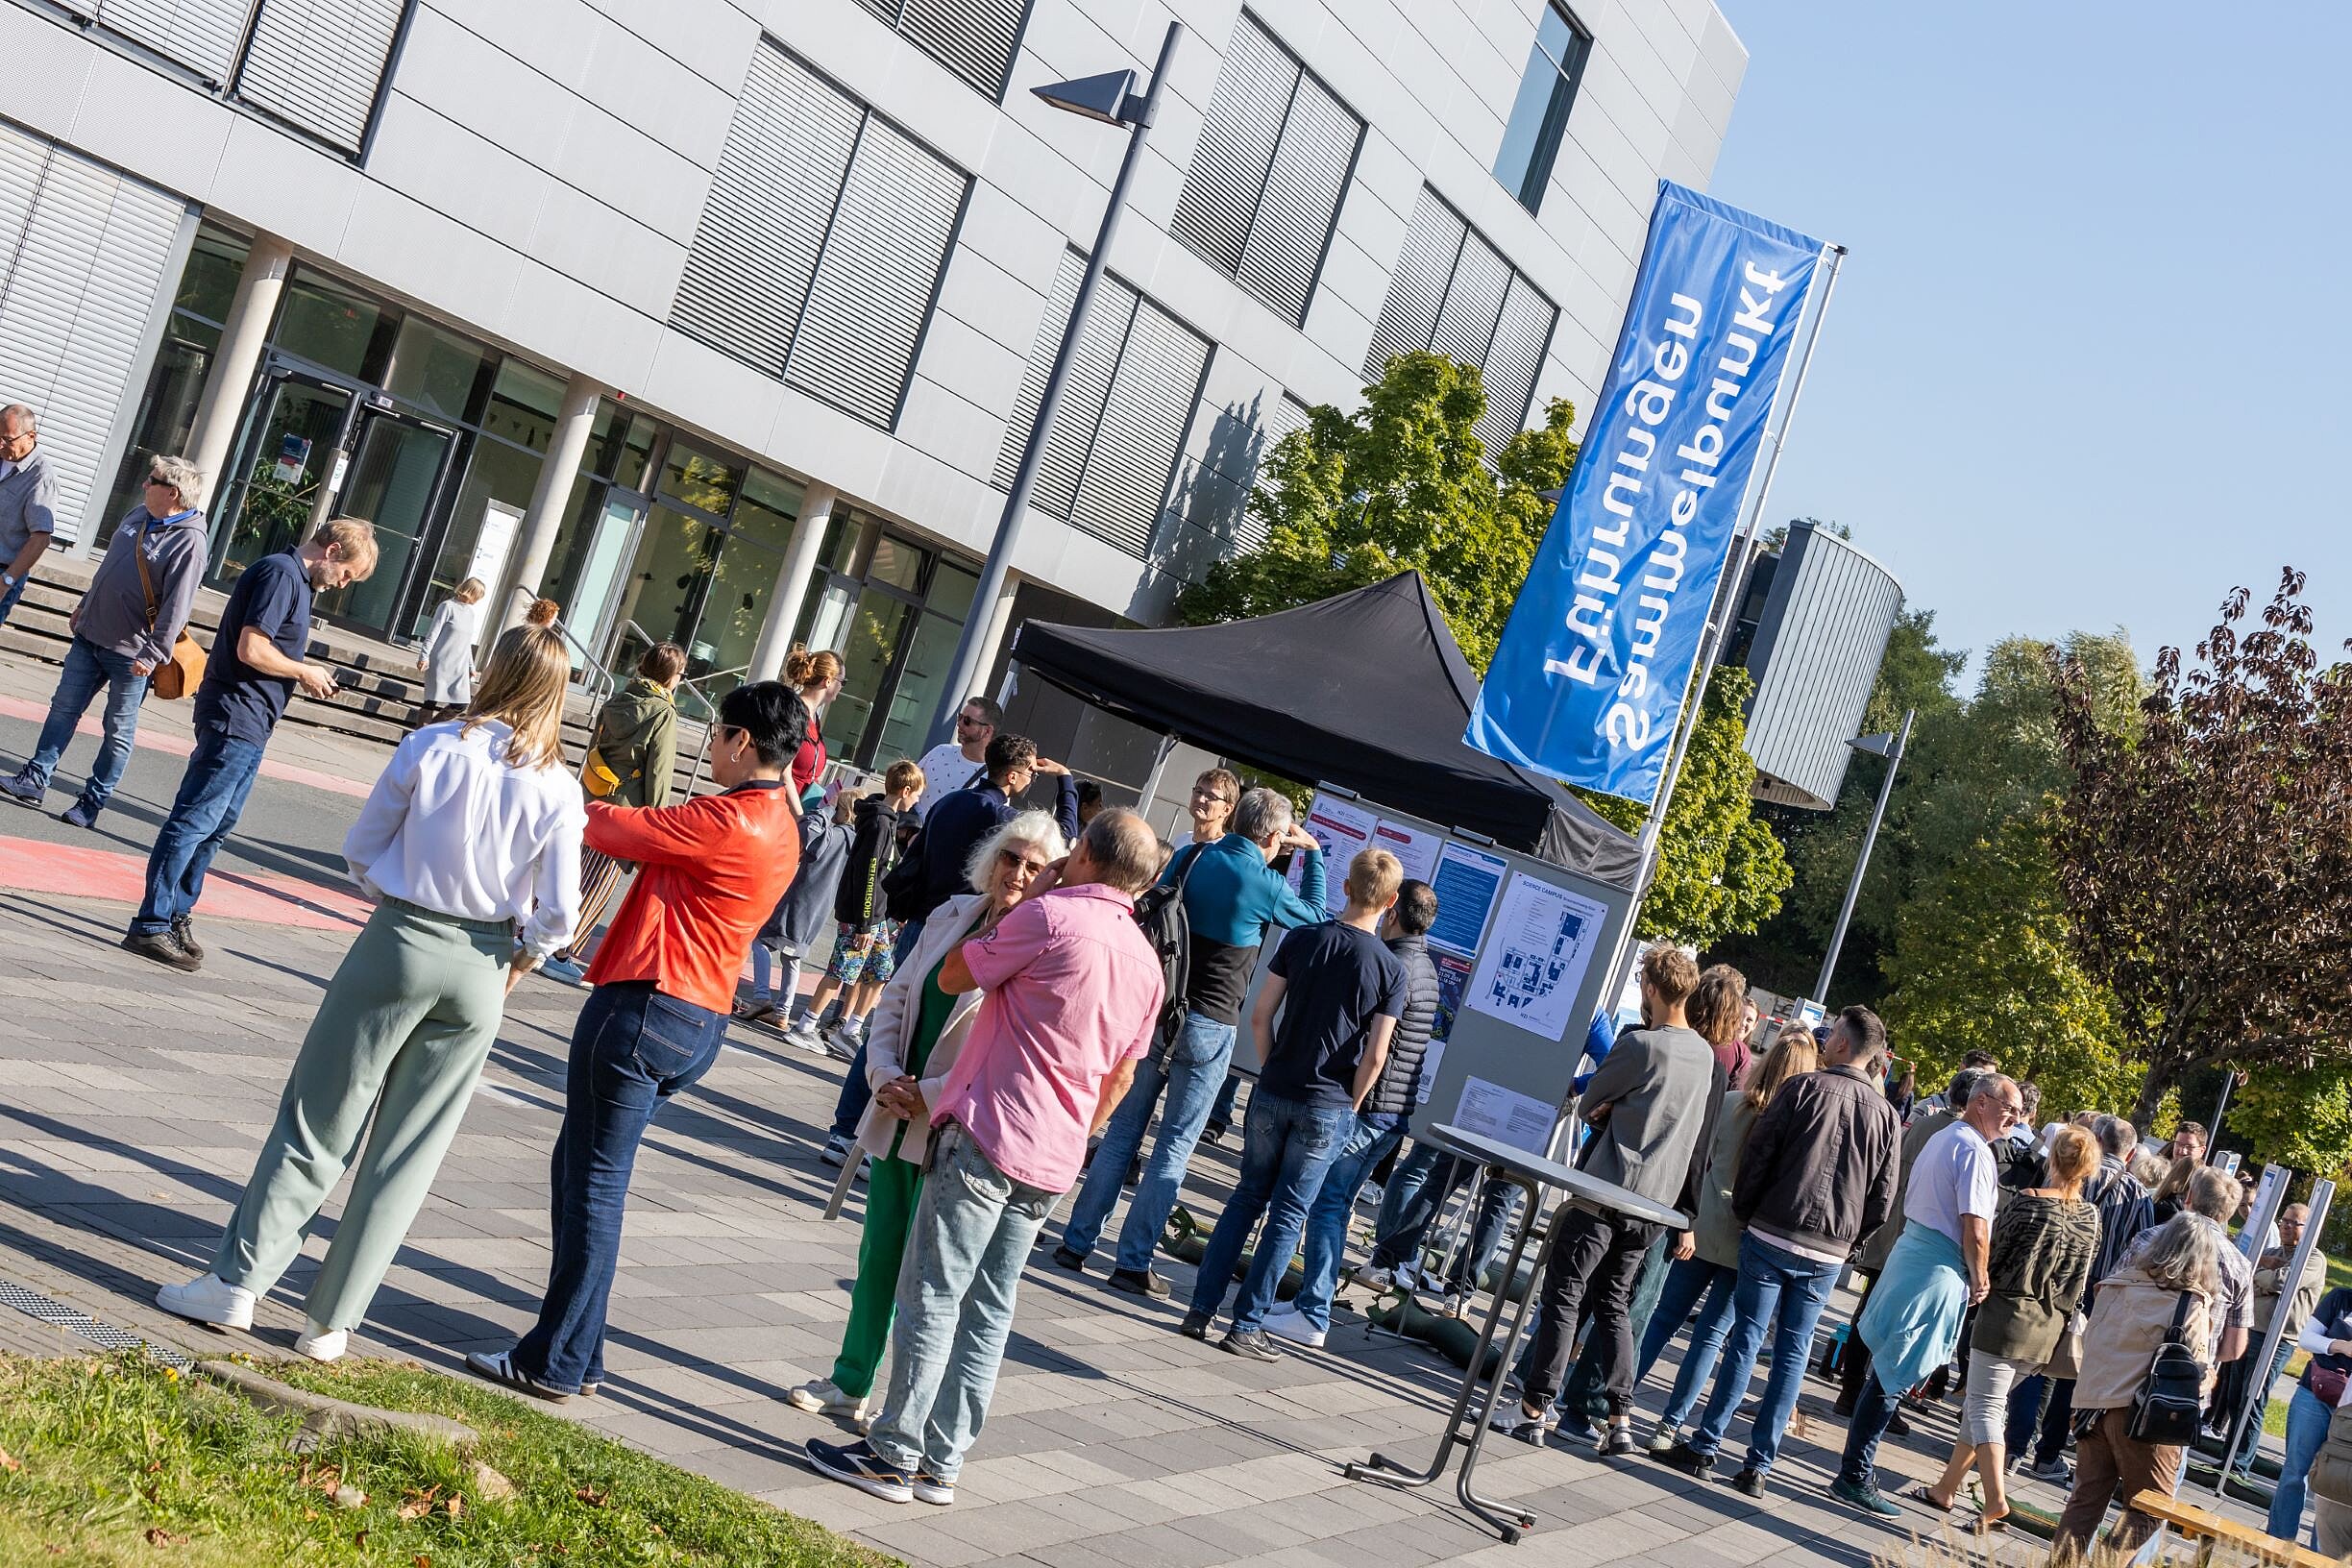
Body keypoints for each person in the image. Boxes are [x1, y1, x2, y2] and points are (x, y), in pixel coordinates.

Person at [155, 613, 583, 1359]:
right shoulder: (559, 788)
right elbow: (560, 914)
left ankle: (238, 1285)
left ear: (495, 670)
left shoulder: (432, 746)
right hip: (484, 965)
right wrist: (521, 961)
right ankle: (331, 1323)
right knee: (408, 1153)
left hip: (402, 935)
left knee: (319, 1117)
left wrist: (398, 896)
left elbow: (361, 850)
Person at [804, 809, 1164, 1506]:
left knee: (932, 1293)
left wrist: (1032, 901)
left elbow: (952, 975)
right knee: (990, 1310)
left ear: (1081, 853)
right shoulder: (1145, 961)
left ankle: (893, 1452)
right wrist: (1080, 1129)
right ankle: (943, 1462)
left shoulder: (1051, 917)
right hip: (1055, 1153)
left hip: (988, 1132)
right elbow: (1123, 1076)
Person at [467, 680, 808, 1400]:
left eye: (716, 733)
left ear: (744, 742)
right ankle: (580, 1356)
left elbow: (612, 828)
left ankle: (551, 1360)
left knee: (593, 1185)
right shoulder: (780, 820)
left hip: (650, 1005)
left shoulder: (725, 818)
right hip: (699, 1017)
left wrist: (544, 782)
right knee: (586, 1171)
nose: (710, 744)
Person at [785, 809, 1065, 1426]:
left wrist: (930, 1094)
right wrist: (884, 1075)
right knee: (879, 1251)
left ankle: (900, 1412)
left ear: (1052, 879)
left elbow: (1005, 1053)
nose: (1017, 872)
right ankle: (850, 1379)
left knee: (933, 1281)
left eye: (1034, 866)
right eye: (1011, 857)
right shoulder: (949, 915)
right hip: (898, 1110)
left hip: (959, 1128)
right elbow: (894, 1000)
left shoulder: (1038, 945)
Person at [1054, 785, 1326, 1294]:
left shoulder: (1191, 855)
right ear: (1272, 836)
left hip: (1155, 1010)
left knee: (1121, 1133)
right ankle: (1132, 1262)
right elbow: (1314, 917)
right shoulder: (1264, 882)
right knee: (1174, 1145)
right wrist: (1311, 855)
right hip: (1210, 1022)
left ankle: (1076, 1242)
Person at [1656, 1005, 1899, 1495]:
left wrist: (1748, 1211)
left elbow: (1760, 1156)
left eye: (1833, 1035)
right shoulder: (1887, 1117)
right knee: (1793, 1352)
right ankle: (1758, 1466)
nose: (1827, 1040)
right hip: (1828, 1248)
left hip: (1771, 1230)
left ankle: (1707, 1445)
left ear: (1842, 1046)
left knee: (1745, 1340)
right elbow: (1883, 1196)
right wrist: (1852, 1241)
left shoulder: (1803, 1088)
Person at [1490, 946, 1721, 1456]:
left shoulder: (1640, 1044)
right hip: (1654, 1203)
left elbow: (1594, 1101)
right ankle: (1619, 1417)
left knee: (1565, 1295)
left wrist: (1611, 1108)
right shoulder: (1704, 1055)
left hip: (1605, 1191)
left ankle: (1534, 1407)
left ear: (1651, 990)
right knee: (1615, 1303)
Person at [1179, 848, 1406, 1359]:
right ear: (1391, 903)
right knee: (1288, 1213)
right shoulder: (1390, 970)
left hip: (1274, 1086)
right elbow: (1376, 1055)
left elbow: (1261, 1014)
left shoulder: (1302, 938)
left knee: (1245, 1197)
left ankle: (1200, 1309)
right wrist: (1353, 1102)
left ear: (1344, 887)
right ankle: (1247, 1323)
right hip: (1328, 1103)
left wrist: (1270, 1067)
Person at [121, 519, 377, 969]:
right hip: (235, 713)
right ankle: (151, 923)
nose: (343, 585)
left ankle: (176, 912)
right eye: (348, 574)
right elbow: (251, 649)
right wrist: (305, 671)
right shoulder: (281, 574)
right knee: (195, 819)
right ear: (333, 551)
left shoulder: (294, 580)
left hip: (252, 720)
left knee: (217, 825)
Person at [1830, 1073, 2024, 1517]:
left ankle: (1855, 1470)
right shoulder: (1974, 1150)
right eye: (2007, 1106)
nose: (2015, 1116)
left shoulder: (1947, 1135)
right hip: (1935, 1264)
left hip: (1915, 1253)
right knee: (1894, 1373)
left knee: (1888, 1368)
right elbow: (1975, 1226)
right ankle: (1854, 1474)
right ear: (1980, 1103)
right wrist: (1980, 1277)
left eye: (2018, 1110)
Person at [1631, 1015, 1819, 1453]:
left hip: (1699, 1228)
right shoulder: (1797, 1129)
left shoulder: (1731, 1103)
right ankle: (1669, 1424)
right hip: (1751, 1244)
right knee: (1711, 1336)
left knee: (1662, 1318)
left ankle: (1616, 1397)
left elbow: (1696, 1165)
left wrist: (1687, 1221)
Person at [1269, 877, 1441, 1347]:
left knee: (1325, 1202)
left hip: (1369, 1107)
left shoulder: (1395, 965)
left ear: (1392, 913)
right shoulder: (1425, 966)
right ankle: (1311, 1300)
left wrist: (1353, 1104)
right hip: (1395, 1112)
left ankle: (1313, 1311)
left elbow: (1376, 1050)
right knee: (1337, 1205)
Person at [1, 454, 208, 825]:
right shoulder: (137, 516)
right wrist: (85, 604)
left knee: (117, 730)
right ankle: (34, 778)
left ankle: (92, 802)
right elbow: (110, 567)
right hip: (91, 634)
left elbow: (178, 605)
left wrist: (155, 652)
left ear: (173, 493)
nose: (144, 484)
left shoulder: (190, 541)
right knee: (63, 708)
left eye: (153, 480)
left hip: (134, 653)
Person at [1915, 1125, 2099, 1529]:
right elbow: (2079, 1279)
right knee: (1984, 1405)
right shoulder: (2090, 1216)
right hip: (2048, 1327)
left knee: (1984, 1406)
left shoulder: (2028, 1204)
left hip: (2006, 1318)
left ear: (2052, 1159)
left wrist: (1979, 1283)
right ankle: (1945, 1489)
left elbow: (1993, 1255)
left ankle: (1996, 1499)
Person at [2051, 1212, 2225, 1557]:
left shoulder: (2116, 1284)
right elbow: (2196, 1376)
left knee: (2083, 1506)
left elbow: (2094, 1342)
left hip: (2091, 1405)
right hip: (2145, 1420)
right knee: (2151, 1509)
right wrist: (2211, 1379)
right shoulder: (2190, 1302)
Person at [1837, 1065, 1985, 1419]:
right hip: (1919, 1244)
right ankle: (1883, 1398)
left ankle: (1852, 1388)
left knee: (1869, 1312)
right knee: (1903, 1326)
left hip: (1891, 1234)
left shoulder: (1924, 1125)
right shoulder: (1960, 1138)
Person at [2015, 1113, 2156, 1483]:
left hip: (2055, 1278)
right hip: (2100, 1294)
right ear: (2131, 1155)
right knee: (2072, 1373)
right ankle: (2047, 1455)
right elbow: (2138, 1253)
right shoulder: (2138, 1195)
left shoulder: (2074, 1175)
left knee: (2034, 1361)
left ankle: (2014, 1444)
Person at [539, 641, 684, 986]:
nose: (680, 679)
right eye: (680, 673)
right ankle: (561, 952)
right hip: (626, 810)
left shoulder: (616, 699)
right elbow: (659, 774)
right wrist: (656, 822)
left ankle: (541, 933)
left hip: (594, 796)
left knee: (571, 873)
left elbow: (593, 748)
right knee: (599, 884)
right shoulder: (663, 713)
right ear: (669, 676)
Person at [894, 732, 1078, 960]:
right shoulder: (1004, 819)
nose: (1033, 777)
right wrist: (1065, 777)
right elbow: (1063, 839)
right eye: (1031, 772)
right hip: (957, 929)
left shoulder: (949, 801)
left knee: (898, 994)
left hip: (917, 923)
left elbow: (915, 856)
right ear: (1012, 776)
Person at [795, 759, 922, 1069]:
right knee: (842, 971)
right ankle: (805, 1026)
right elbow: (868, 874)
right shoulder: (879, 823)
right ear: (906, 790)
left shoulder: (889, 819)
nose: (918, 800)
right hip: (862, 916)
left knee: (881, 971)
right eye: (917, 794)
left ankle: (852, 1028)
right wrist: (865, 922)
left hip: (878, 915)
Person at [2210, 1201, 2328, 1470]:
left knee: (2253, 1399)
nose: (2286, 1226)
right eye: (2284, 1220)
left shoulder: (2313, 1258)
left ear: (2308, 1228)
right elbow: (2246, 1276)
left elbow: (2281, 1281)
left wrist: (2263, 1278)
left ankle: (2240, 1463)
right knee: (2234, 1396)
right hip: (2251, 1330)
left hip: (2277, 1339)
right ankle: (2227, 1457)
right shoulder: (2272, 1252)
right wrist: (2264, 1276)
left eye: (2293, 1222)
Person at [741, 784, 863, 1032]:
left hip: (801, 899)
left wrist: (824, 810)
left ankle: (762, 996)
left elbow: (810, 836)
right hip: (820, 907)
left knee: (761, 941)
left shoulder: (836, 834)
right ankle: (783, 1011)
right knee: (792, 956)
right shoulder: (856, 841)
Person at [2267, 1279, 2352, 1546]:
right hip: (2315, 1395)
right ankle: (2278, 1546)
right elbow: (2306, 1338)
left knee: (2333, 1484)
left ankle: (2318, 1556)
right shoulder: (2341, 1298)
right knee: (2295, 1472)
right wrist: (2340, 1345)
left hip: (2348, 1413)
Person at [0, 403, 56, 627]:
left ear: (31, 435)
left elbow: (40, 539)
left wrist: (7, 580)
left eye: (8, 439)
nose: (0, 444)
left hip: (4, 571)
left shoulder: (41, 477)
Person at [913, 696, 999, 818]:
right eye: (960, 717)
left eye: (967, 721)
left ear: (987, 731)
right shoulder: (940, 751)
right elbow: (907, 786)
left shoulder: (994, 777)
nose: (959, 724)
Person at [415, 576, 486, 723]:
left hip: (458, 666)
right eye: (478, 595)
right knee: (431, 701)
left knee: (461, 704)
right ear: (470, 592)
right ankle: (421, 731)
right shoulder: (447, 606)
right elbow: (433, 633)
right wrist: (424, 656)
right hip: (441, 662)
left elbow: (467, 644)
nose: (478, 600)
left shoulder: (470, 613)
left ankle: (430, 728)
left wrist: (471, 667)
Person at [786, 647, 843, 795]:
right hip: (782, 808)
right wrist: (800, 815)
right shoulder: (793, 712)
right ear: (828, 681)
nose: (841, 688)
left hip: (798, 809)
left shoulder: (814, 718)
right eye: (843, 681)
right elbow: (783, 774)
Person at [1168, 767, 1240, 851]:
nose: (1200, 799)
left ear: (1227, 809)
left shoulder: (1223, 851)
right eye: (1199, 792)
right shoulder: (1181, 840)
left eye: (1211, 796)